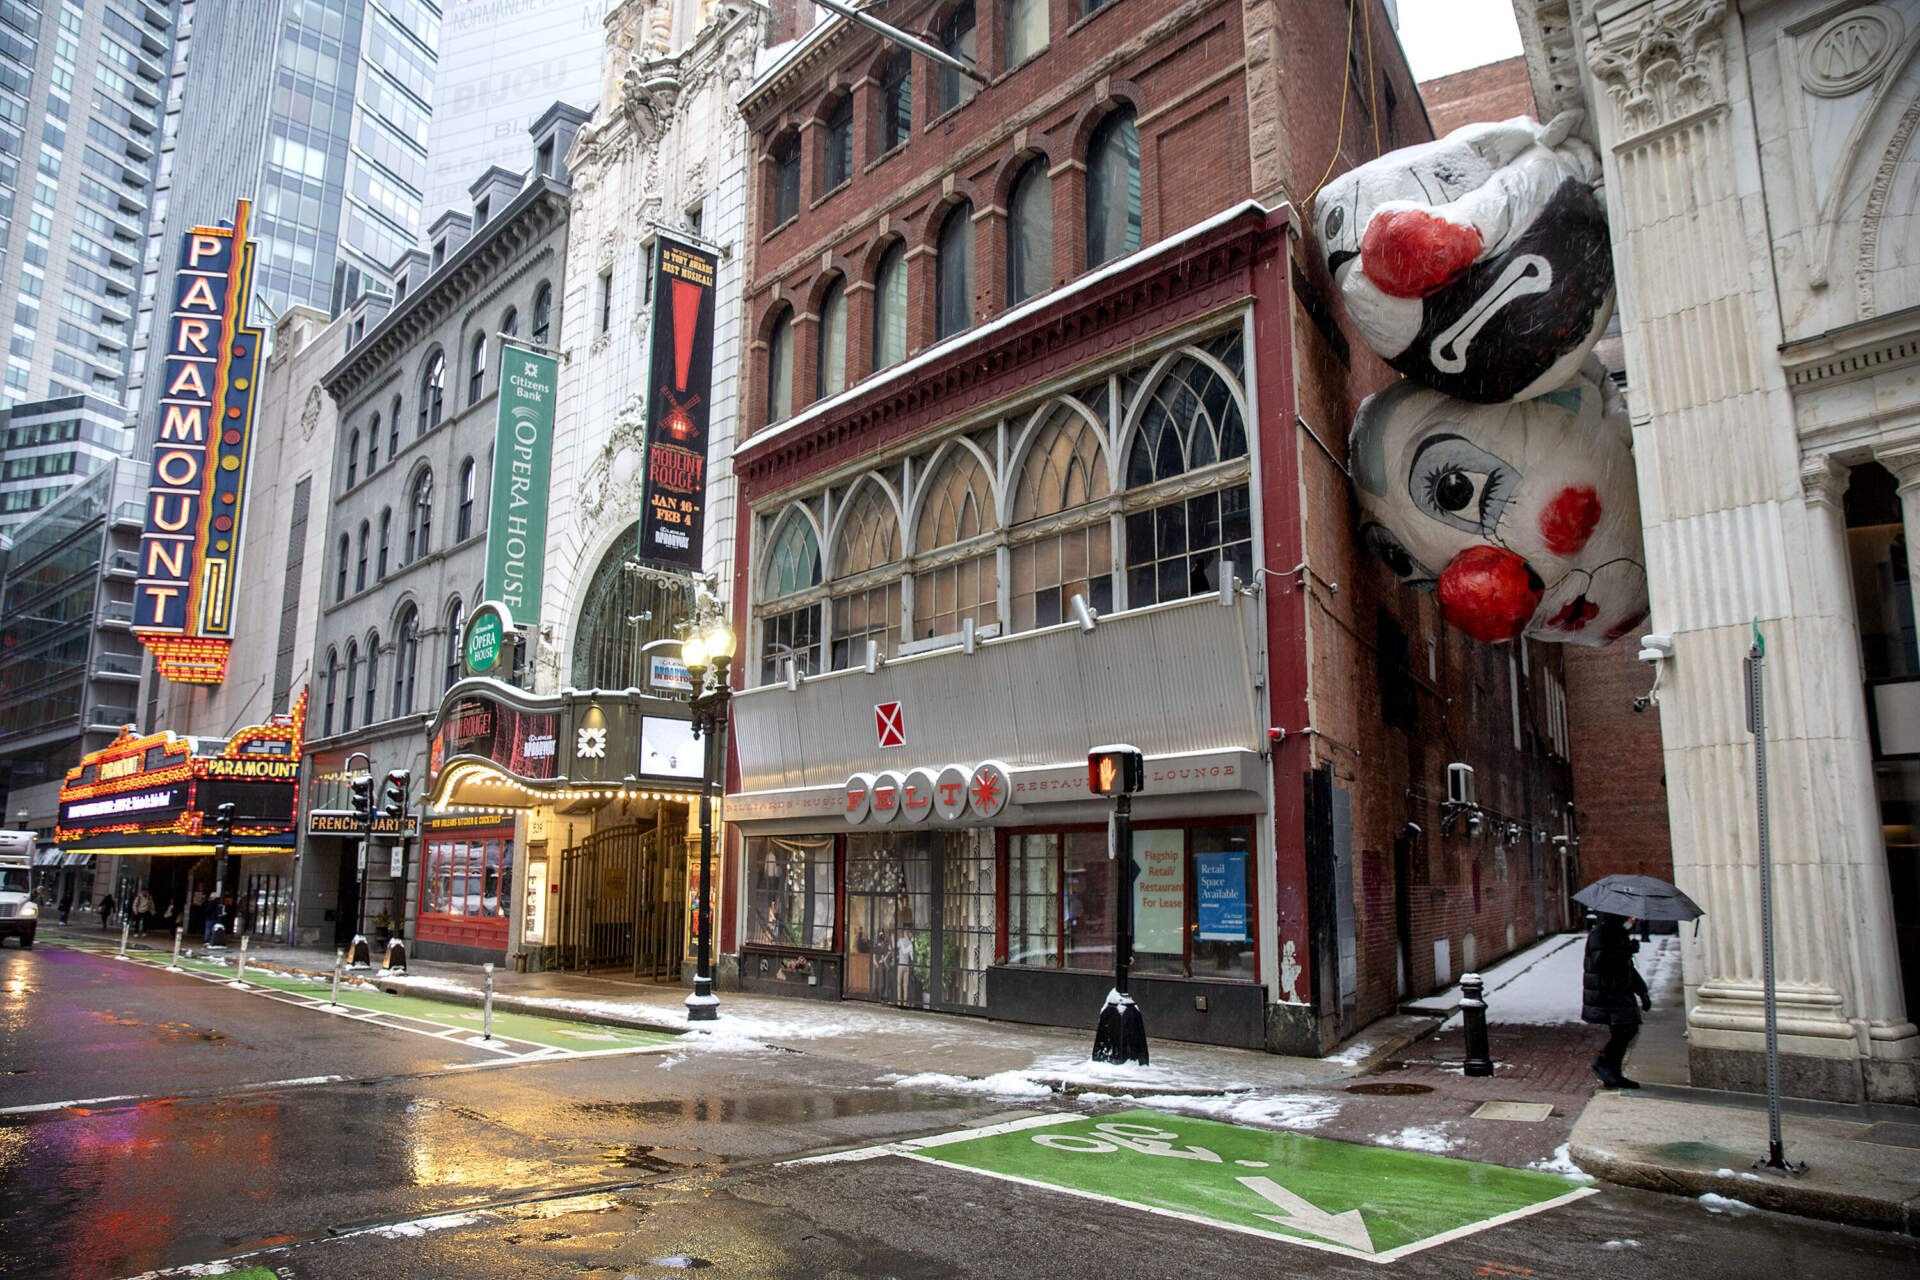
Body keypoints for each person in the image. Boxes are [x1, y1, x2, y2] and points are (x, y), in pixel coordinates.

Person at [1583, 911, 1652, 1088]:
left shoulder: (1618, 933)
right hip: (1608, 991)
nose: (1632, 921)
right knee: (1624, 1030)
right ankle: (1604, 1064)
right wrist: (1626, 950)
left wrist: (1642, 991)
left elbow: (1628, 968)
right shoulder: (1600, 933)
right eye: (1629, 918)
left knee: (1627, 1030)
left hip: (1620, 990)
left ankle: (1613, 1071)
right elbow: (1602, 961)